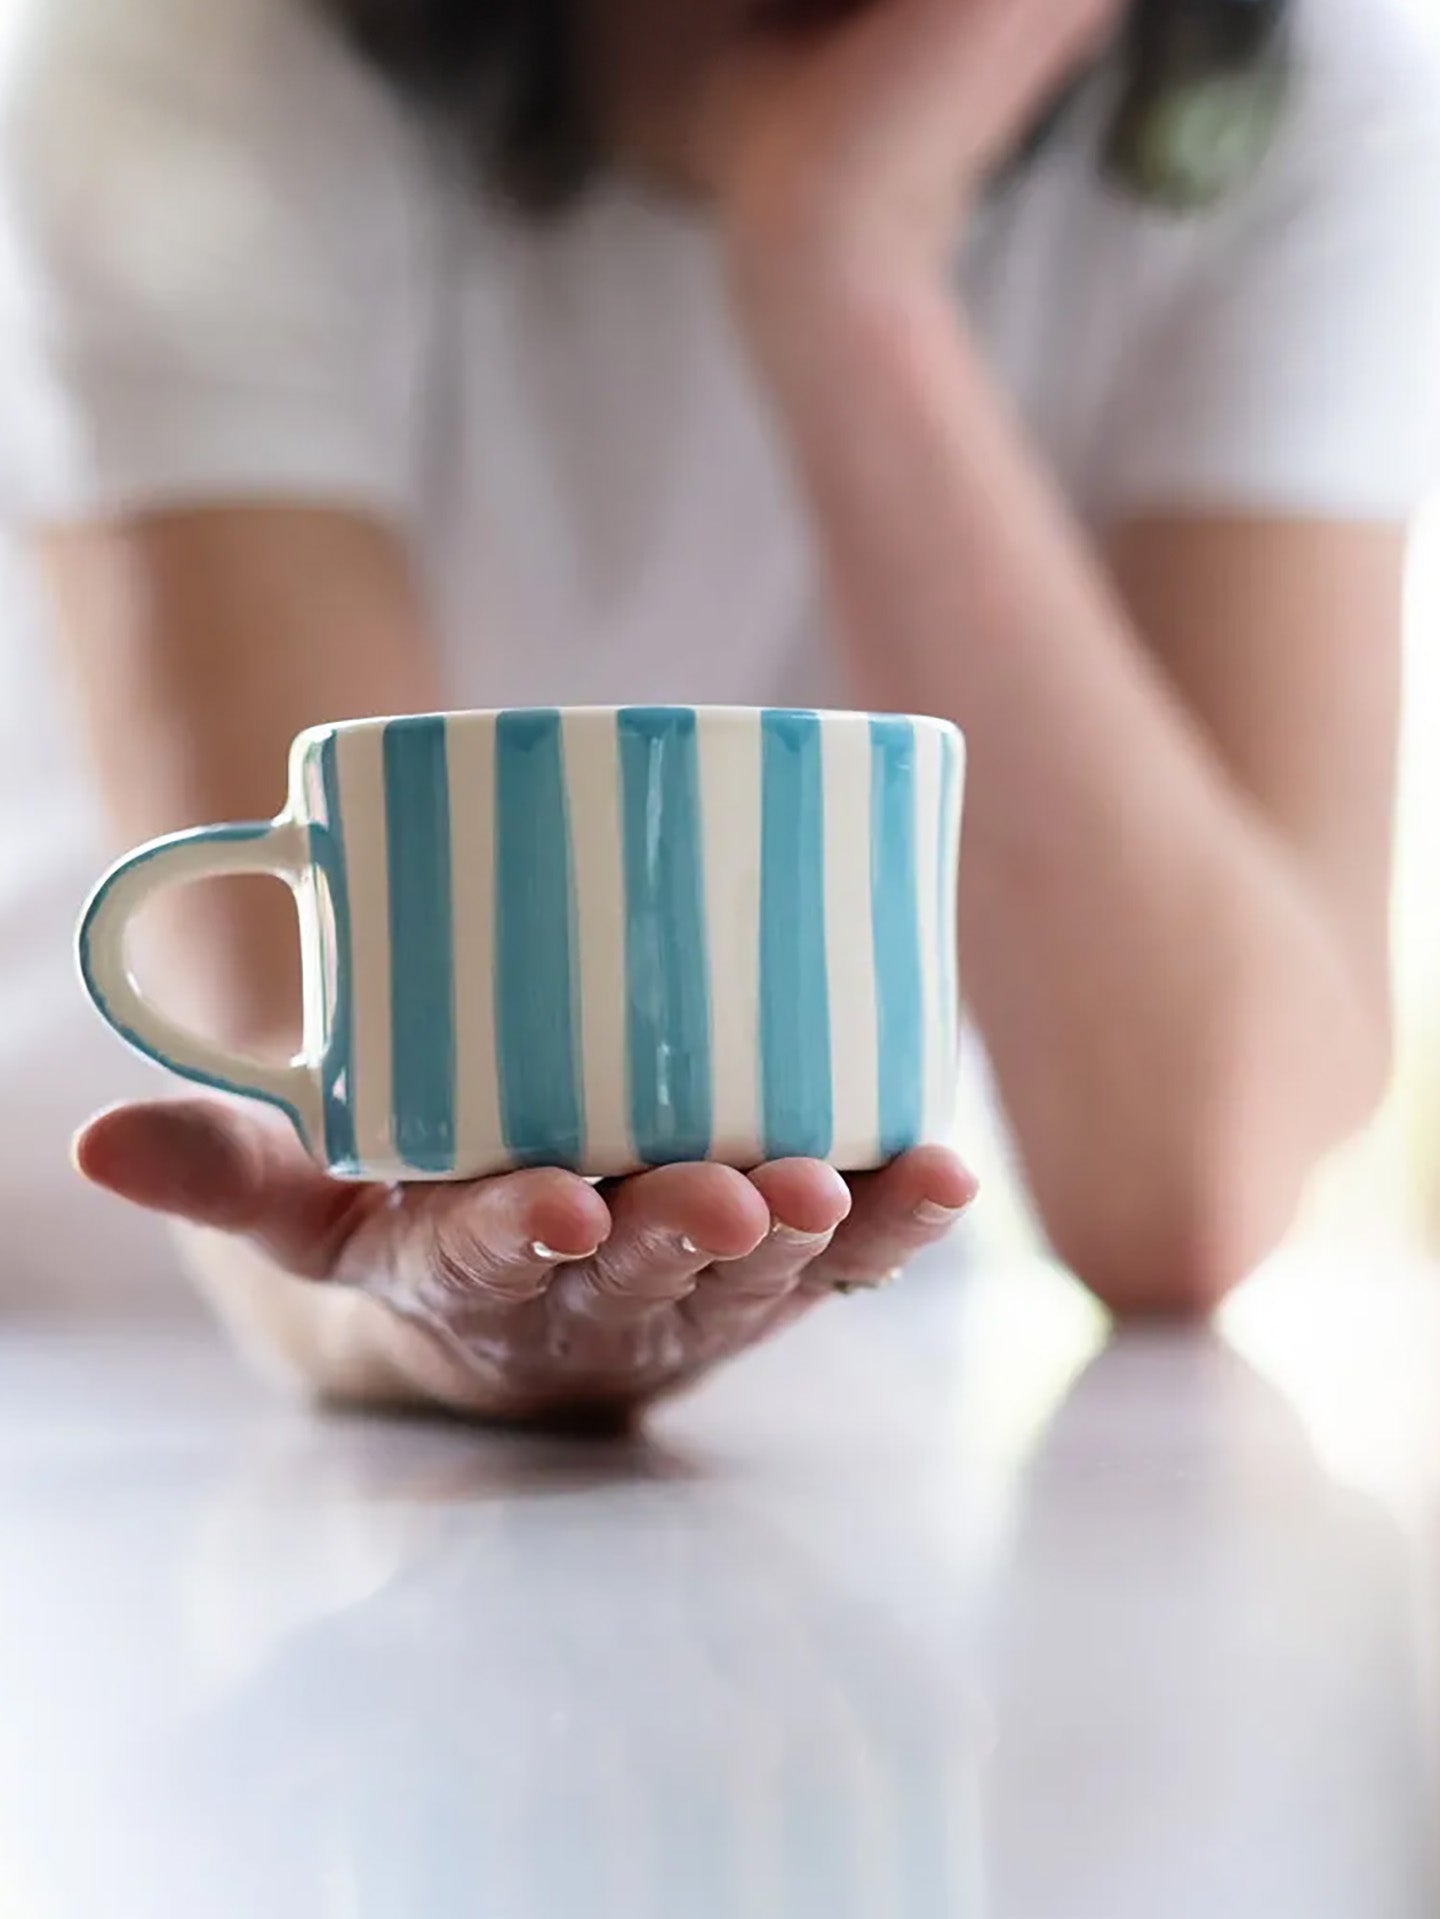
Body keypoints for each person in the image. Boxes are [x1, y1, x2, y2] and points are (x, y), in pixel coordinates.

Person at [0, 0, 1436, 1420]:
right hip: (133, 1385)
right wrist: (434, 1319)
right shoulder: (196, 51)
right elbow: (313, 1089)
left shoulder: (1318, 91)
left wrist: (840, 257)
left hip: (833, 1365)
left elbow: (1188, 1179)